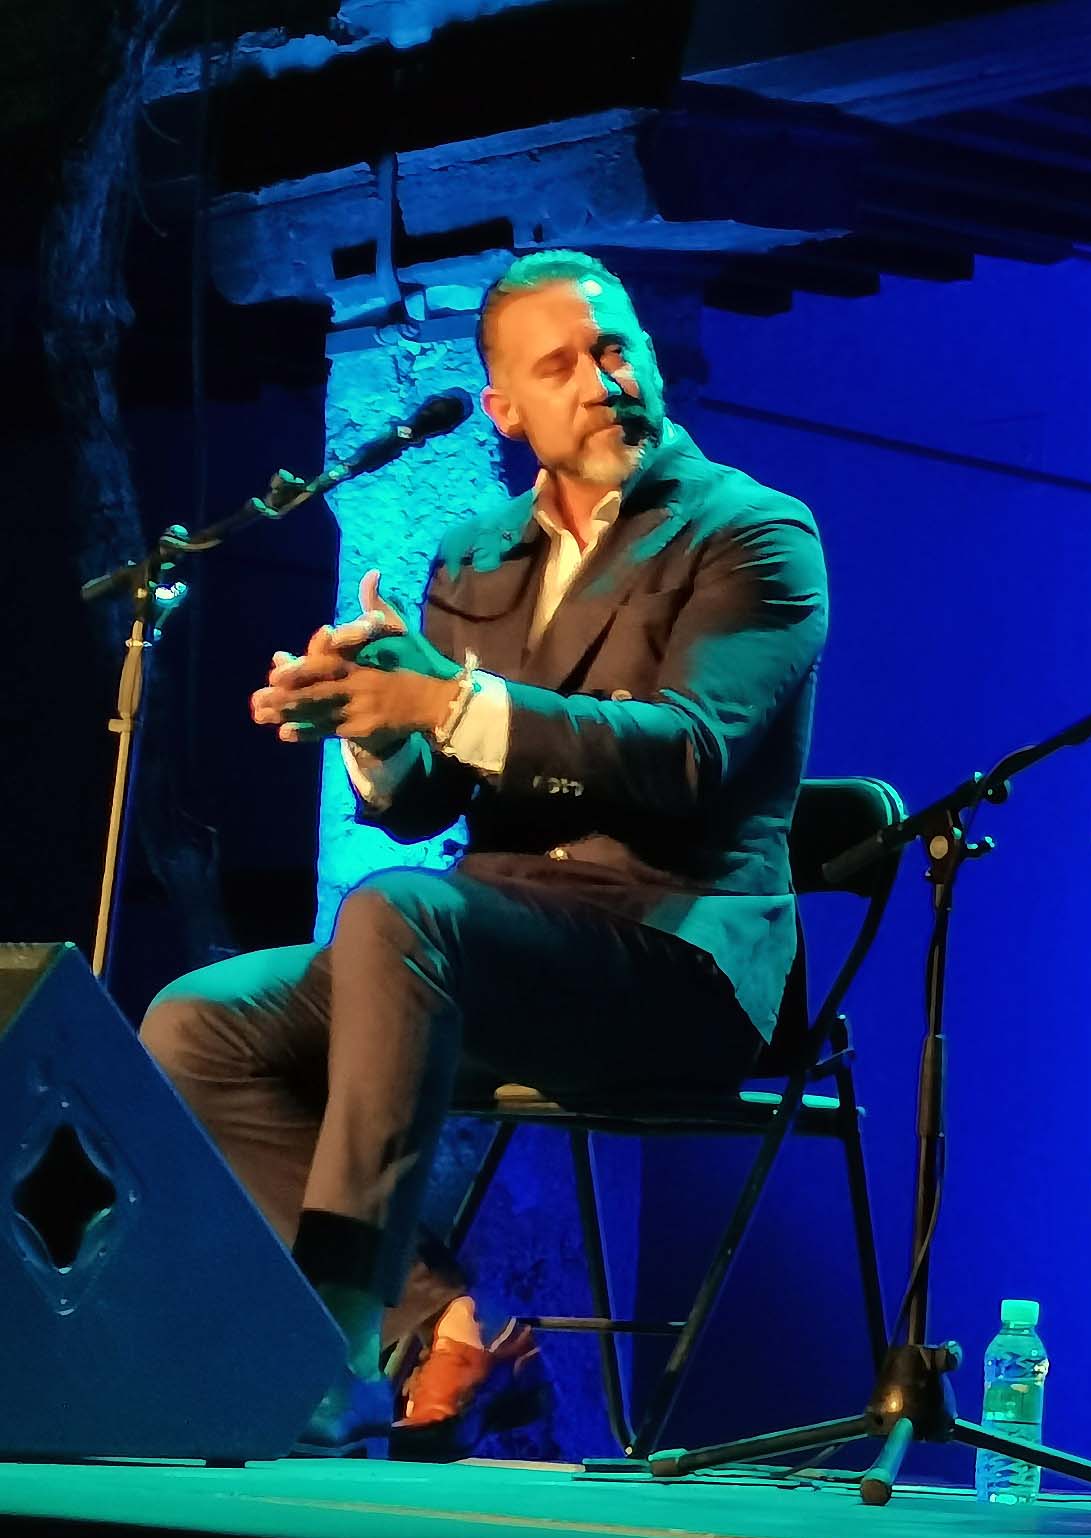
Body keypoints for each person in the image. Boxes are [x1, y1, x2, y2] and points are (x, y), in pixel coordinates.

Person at [140, 249, 828, 1454]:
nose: (602, 378)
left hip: (676, 957)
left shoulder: (752, 533)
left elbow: (687, 755)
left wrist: (440, 701)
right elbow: (423, 805)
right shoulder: (474, 558)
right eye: (561, 365)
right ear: (507, 409)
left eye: (616, 347)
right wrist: (364, 718)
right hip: (495, 945)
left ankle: (321, 1335)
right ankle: (436, 1320)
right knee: (196, 1022)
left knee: (403, 914)